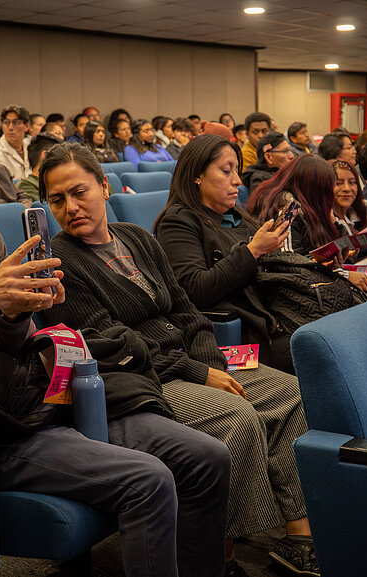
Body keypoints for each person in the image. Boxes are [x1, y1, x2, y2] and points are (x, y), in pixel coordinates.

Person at [0, 135, 231, 577]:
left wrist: (19, 313)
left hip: (57, 403)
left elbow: (18, 346)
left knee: (208, 457)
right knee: (149, 479)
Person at [40, 141, 316, 577]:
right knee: (236, 416)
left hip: (192, 361)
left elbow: (186, 309)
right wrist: (196, 371)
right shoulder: (62, 263)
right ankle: (219, 559)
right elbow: (114, 345)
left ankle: (299, 538)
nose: (71, 207)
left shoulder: (137, 238)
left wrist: (211, 363)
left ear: (105, 188)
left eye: (80, 192)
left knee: (290, 392)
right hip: (148, 379)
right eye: (57, 200)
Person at [154, 134, 293, 373]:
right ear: (197, 176)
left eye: (237, 171)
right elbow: (195, 290)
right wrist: (253, 251)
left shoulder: (237, 216)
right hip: (251, 330)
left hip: (281, 314)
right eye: (226, 171)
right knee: (321, 351)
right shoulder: (178, 222)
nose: (238, 181)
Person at [248, 154, 367, 292]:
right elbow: (288, 265)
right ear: (313, 188)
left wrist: (335, 224)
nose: (330, 194)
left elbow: (313, 258)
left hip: (319, 285)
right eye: (327, 188)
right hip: (298, 295)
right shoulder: (287, 211)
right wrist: (343, 275)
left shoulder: (310, 207)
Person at [0, 104, 32, 179]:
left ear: (26, 126)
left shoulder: (32, 145)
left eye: (15, 123)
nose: (10, 128)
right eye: (6, 123)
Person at [17, 133, 61, 202]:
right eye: (60, 156)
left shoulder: (58, 182)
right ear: (45, 155)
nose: (63, 162)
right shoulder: (26, 186)